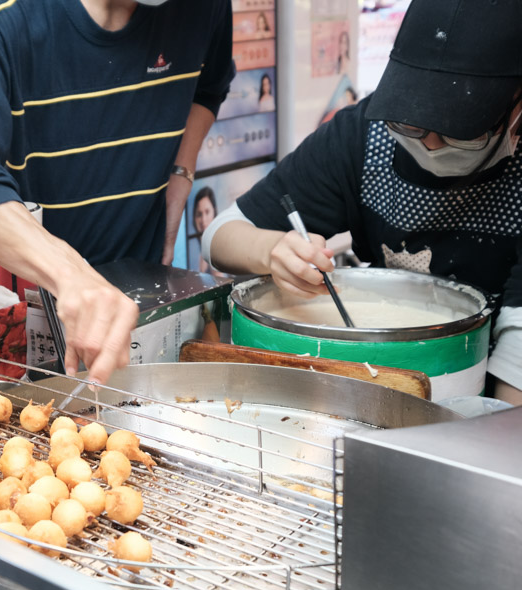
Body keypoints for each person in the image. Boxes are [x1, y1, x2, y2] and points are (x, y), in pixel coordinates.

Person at [202, 0, 522, 405]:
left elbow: (517, 359)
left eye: (463, 129)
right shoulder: (364, 137)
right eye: (412, 121)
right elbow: (219, 235)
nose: (431, 142)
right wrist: (271, 252)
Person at [0, 0, 235, 384]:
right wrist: (72, 276)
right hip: (14, 329)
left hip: (141, 306)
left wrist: (180, 175)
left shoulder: (204, 8)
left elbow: (210, 87)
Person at [190, 187, 218, 273]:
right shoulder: (191, 251)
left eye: (207, 212)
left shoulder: (222, 245)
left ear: (214, 211)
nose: (203, 220)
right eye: (199, 214)